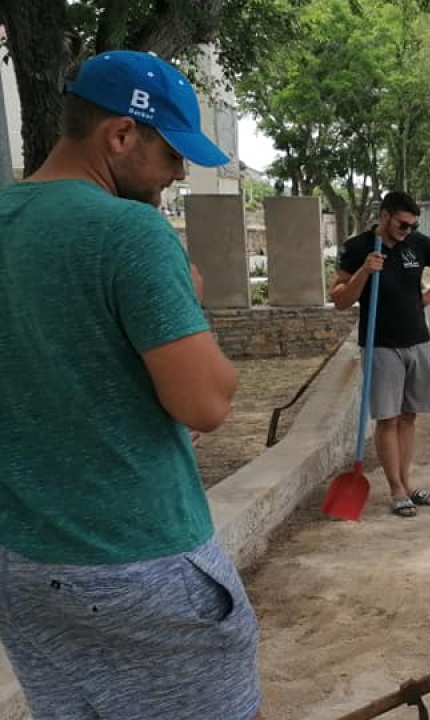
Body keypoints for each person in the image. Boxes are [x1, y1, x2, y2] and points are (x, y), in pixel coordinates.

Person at [0, 51, 263, 720]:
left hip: (23, 562)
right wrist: (192, 307)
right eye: (171, 153)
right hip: (136, 557)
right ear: (120, 135)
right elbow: (206, 404)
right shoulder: (130, 233)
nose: (177, 172)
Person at [331, 191, 430, 517]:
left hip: (418, 341)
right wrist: (364, 272)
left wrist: (426, 299)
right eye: (402, 224)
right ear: (385, 216)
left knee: (409, 417)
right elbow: (340, 299)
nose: (407, 230)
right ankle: (395, 490)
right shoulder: (357, 248)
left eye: (412, 225)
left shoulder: (416, 244)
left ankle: (407, 483)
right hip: (381, 345)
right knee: (387, 419)